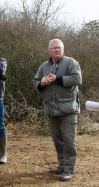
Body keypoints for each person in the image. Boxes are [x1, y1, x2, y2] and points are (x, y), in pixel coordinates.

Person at [32, 39, 82, 181]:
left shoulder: (71, 63)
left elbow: (77, 79)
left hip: (68, 110)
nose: (57, 50)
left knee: (69, 140)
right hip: (51, 109)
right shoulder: (44, 66)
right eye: (54, 48)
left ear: (63, 49)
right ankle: (62, 165)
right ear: (49, 51)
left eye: (59, 48)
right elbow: (35, 82)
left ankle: (69, 170)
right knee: (57, 139)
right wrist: (41, 83)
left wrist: (57, 79)